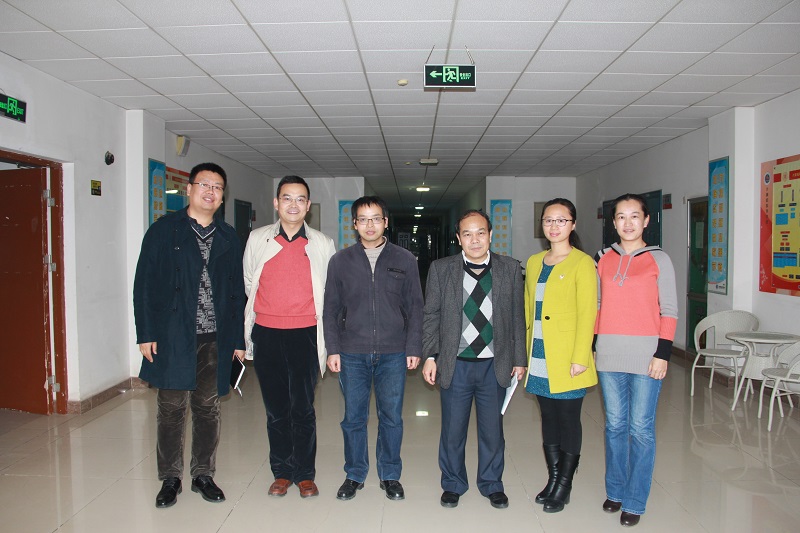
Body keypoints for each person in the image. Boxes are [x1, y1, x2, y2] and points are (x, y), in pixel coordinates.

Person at [133, 162, 246, 508]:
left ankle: (203, 475)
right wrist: (146, 332)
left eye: (217, 187)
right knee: (170, 407)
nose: (211, 192)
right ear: (190, 189)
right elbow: (144, 285)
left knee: (208, 408)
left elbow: (237, 293)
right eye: (204, 185)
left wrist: (238, 340)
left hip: (215, 337)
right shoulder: (163, 231)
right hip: (172, 335)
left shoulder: (228, 236)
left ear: (223, 196)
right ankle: (170, 477)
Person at [422, 209, 526, 510]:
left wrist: (519, 358)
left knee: (492, 430)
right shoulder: (442, 269)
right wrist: (430, 355)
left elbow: (517, 316)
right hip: (455, 363)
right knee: (452, 430)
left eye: (481, 232)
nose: (475, 239)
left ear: (491, 235)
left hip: (495, 363)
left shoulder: (509, 268)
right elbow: (431, 315)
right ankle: (453, 483)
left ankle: (492, 483)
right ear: (458, 239)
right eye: (467, 234)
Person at [323, 196, 424, 501]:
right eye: (363, 219)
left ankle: (390, 474)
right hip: (351, 351)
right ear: (354, 224)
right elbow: (330, 309)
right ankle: (354, 474)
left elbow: (415, 307)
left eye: (376, 218)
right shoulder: (340, 261)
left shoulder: (405, 259)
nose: (370, 225)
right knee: (353, 418)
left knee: (391, 417)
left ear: (386, 222)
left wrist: (413, 347)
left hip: (394, 352)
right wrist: (333, 349)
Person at [243, 175, 336, 498]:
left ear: (308, 206)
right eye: (287, 198)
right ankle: (282, 472)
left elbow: (329, 291)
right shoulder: (258, 239)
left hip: (306, 334)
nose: (293, 205)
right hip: (267, 333)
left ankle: (305, 474)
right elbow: (249, 282)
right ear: (276, 203)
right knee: (276, 409)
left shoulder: (322, 243)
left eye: (300, 199)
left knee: (303, 408)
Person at [595, 193, 677, 527]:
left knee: (640, 429)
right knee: (615, 425)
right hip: (609, 353)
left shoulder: (660, 259)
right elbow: (597, 305)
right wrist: (593, 346)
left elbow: (669, 309)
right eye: (620, 217)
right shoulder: (603, 258)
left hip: (647, 355)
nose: (627, 223)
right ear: (613, 222)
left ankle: (635, 501)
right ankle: (615, 490)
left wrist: (663, 354)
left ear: (646, 220)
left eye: (634, 216)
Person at [524, 198, 597, 513]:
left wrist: (581, 356)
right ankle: (553, 479)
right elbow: (528, 307)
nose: (554, 226)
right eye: (548, 220)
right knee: (548, 418)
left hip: (568, 356)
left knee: (568, 420)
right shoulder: (534, 262)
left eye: (561, 220)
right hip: (539, 354)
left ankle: (564, 485)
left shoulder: (582, 262)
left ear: (573, 224)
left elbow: (588, 312)